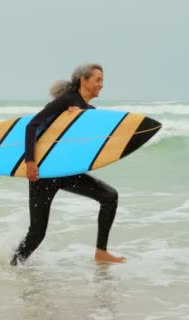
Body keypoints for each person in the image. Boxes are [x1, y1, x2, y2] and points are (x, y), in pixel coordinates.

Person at [10, 63, 126, 266]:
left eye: (102, 80)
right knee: (37, 233)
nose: (101, 85)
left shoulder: (90, 111)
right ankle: (13, 265)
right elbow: (32, 126)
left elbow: (88, 145)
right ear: (84, 80)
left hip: (68, 173)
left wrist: (76, 120)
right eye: (97, 80)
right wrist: (30, 162)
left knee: (110, 196)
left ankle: (101, 253)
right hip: (44, 174)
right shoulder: (66, 101)